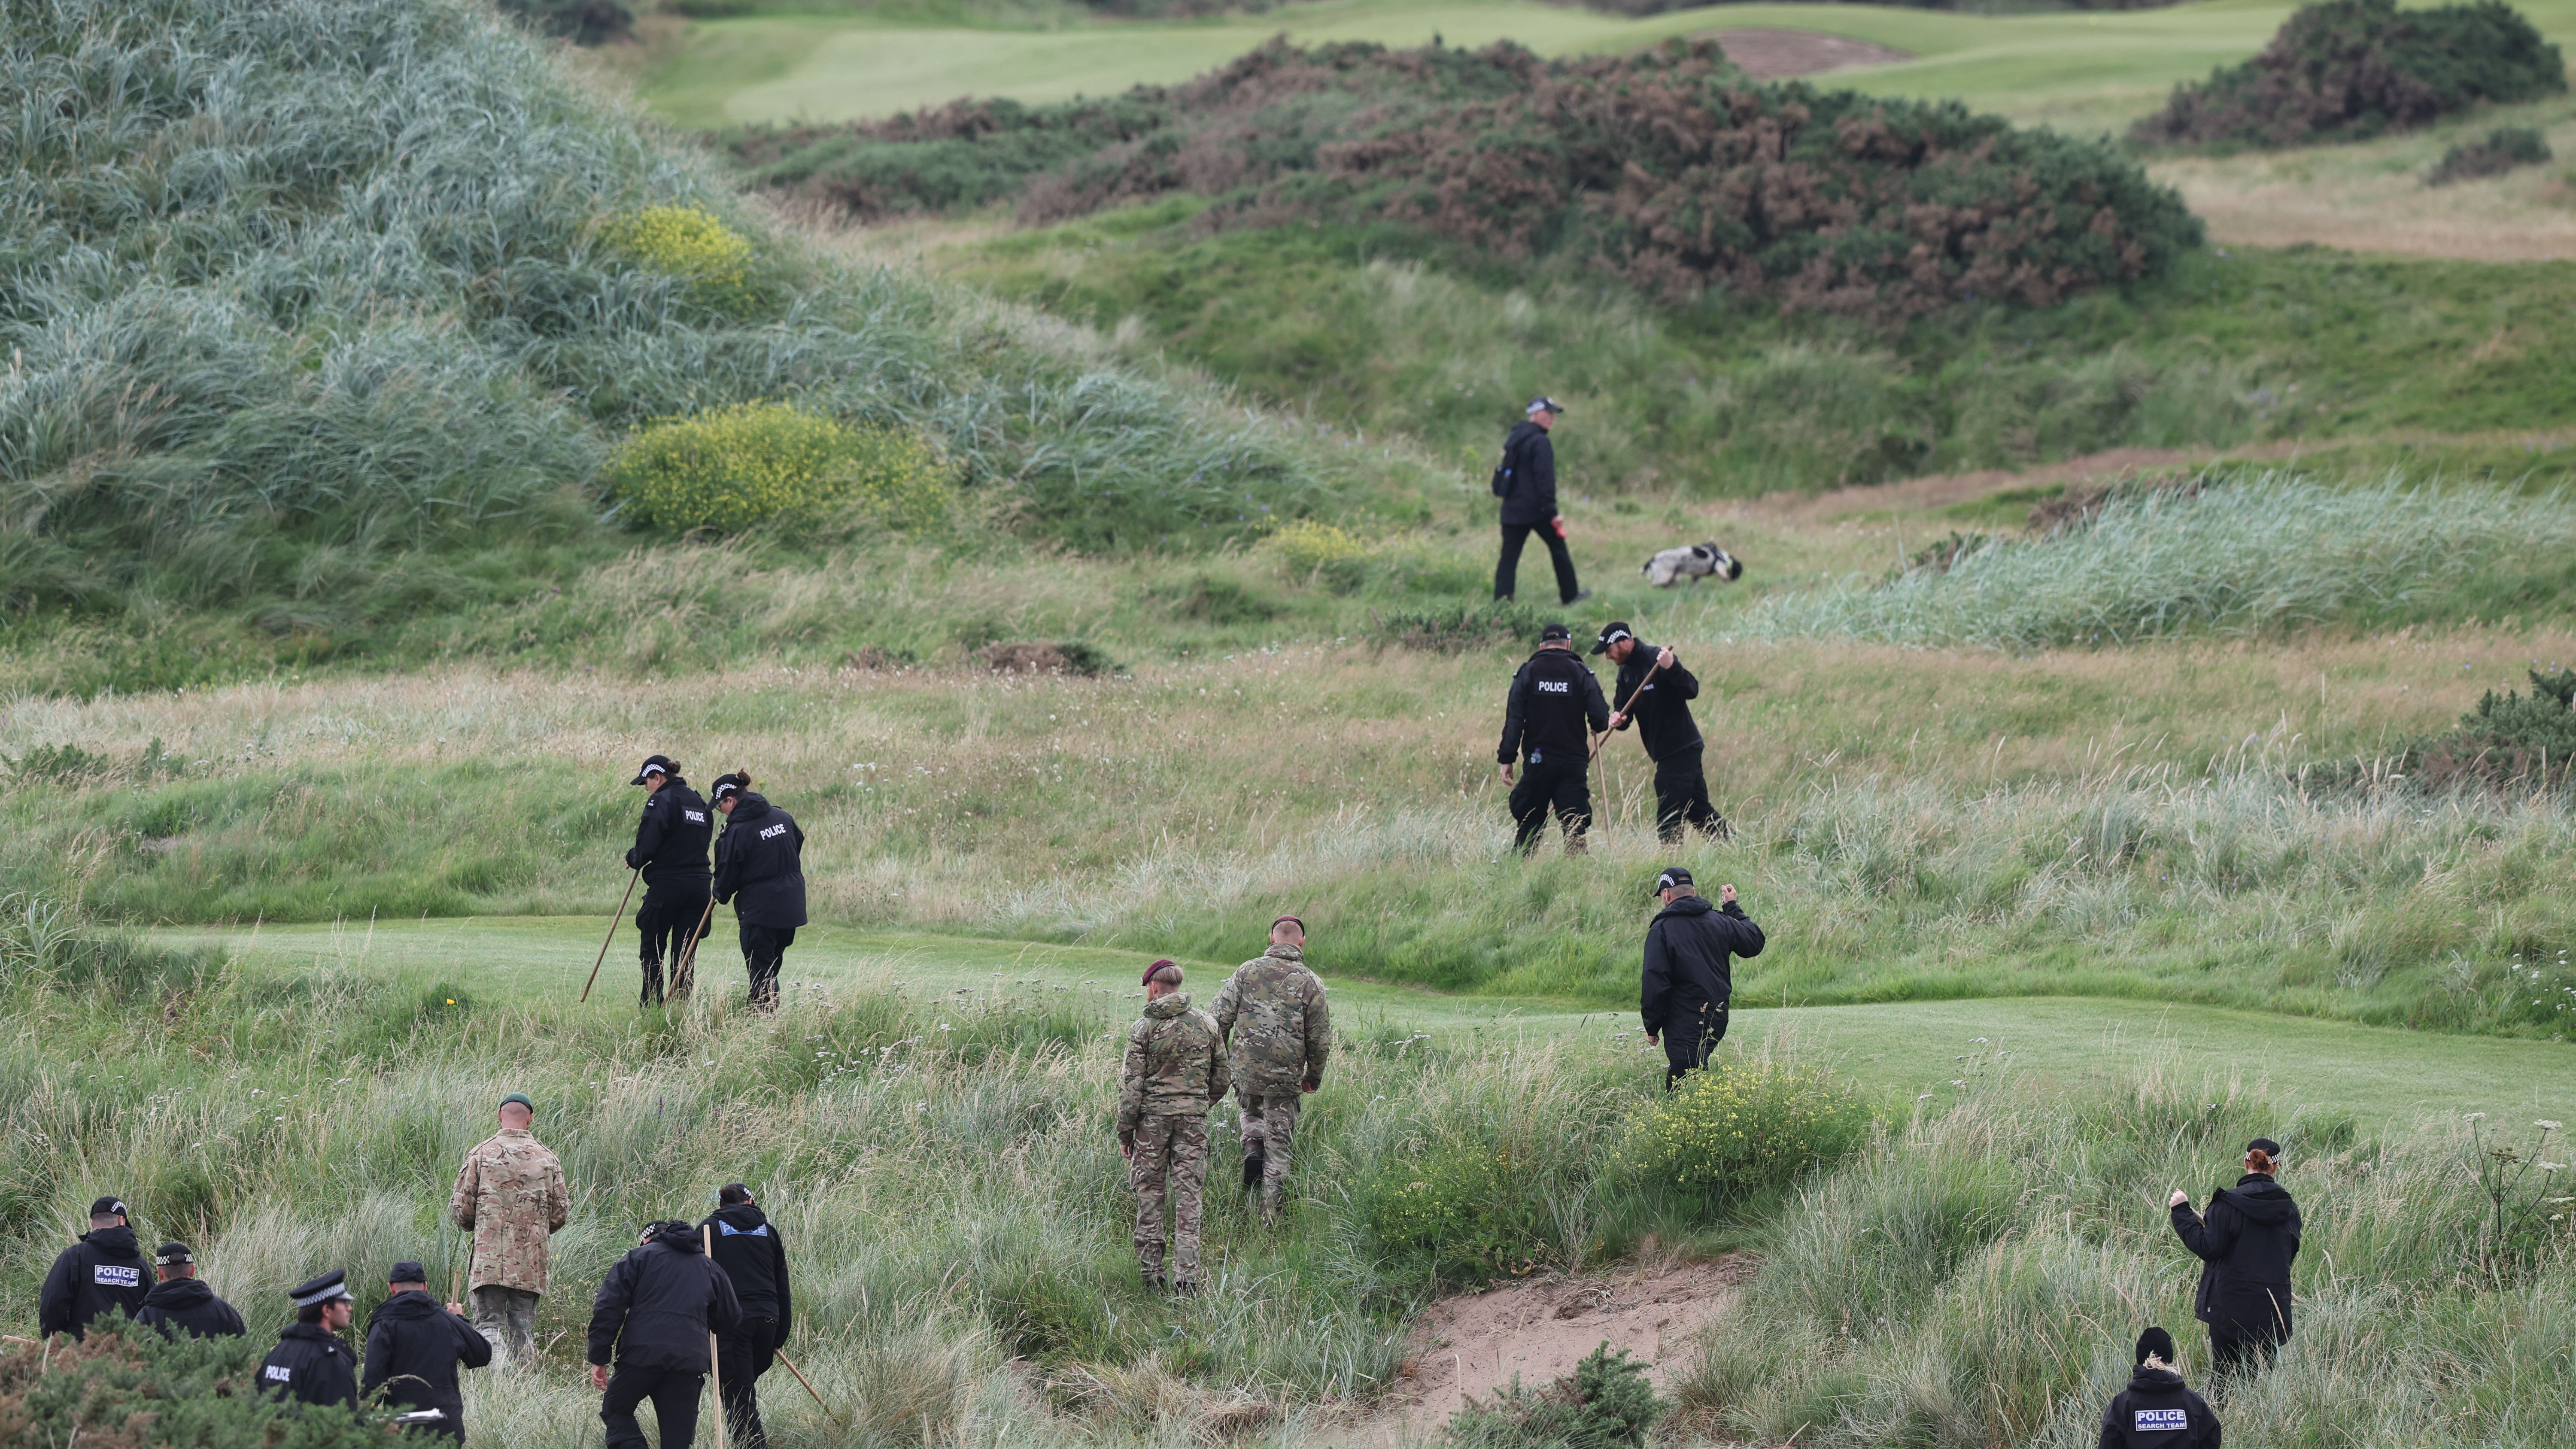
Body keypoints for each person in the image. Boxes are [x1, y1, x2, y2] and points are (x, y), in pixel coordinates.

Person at [1118, 959, 1230, 1291]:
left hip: (1151, 1124)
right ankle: (1187, 1279)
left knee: (1150, 1194)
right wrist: (1197, 1103)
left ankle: (1152, 1276)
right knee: (1189, 1196)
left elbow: (1131, 1089)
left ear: (1154, 986)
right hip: (1193, 1121)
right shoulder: (1208, 1024)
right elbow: (1223, 1077)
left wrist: (1126, 1132)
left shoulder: (1144, 1028)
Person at [1214, 917, 1331, 1227]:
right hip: (1285, 1079)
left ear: (1271, 937)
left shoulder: (1246, 971)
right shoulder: (1311, 982)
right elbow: (1320, 1039)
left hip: (1245, 1073)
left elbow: (1218, 1021)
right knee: (1279, 1150)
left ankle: (1252, 1146)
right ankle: (1270, 1222)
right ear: (1302, 941)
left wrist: (1223, 1063)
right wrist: (1313, 1077)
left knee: (1251, 1116)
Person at [588, 1219, 744, 1449]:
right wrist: (706, 1319)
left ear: (646, 1240)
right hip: (689, 1361)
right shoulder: (709, 1267)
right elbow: (731, 1317)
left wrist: (600, 1358)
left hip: (640, 1357)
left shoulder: (638, 1257)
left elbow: (608, 1308)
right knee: (677, 1439)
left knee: (617, 1410)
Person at [449, 1090, 572, 1367]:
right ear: (530, 1118)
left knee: (489, 1326)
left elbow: (461, 1211)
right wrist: (533, 1232)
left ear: (499, 1116)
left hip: (489, 1261)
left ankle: (494, 1385)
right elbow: (560, 1213)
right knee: (522, 1330)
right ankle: (520, 1390)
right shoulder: (548, 1159)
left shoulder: (481, 1154)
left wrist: (481, 1228)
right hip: (531, 1263)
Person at [2169, 1138, 2301, 1379]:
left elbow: (2208, 1248)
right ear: (2276, 1167)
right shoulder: (2290, 1209)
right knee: (2260, 1381)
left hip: (2227, 1306)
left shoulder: (2227, 1203)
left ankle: (2222, 1417)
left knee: (2224, 1381)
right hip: (2271, 1308)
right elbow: (2289, 1254)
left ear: (2246, 1162)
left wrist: (2181, 1212)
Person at [1594, 622, 1729, 842]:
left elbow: (1691, 690)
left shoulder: (1659, 659)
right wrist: (1618, 718)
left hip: (1681, 747)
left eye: (1609, 651)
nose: (1608, 657)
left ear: (1624, 643)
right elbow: (1623, 708)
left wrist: (1672, 667)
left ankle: (1670, 863)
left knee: (1669, 814)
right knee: (1698, 810)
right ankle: (1732, 845)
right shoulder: (1626, 673)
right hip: (1664, 752)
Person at [1640, 869, 1764, 1090]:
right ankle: (1700, 1115)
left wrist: (1652, 1025)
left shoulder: (1662, 929)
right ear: (1694, 892)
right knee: (1694, 1072)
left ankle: (1683, 1118)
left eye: (1661, 895)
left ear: (1667, 895)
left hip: (1684, 1019)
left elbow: (1655, 982)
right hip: (1716, 1015)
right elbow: (1753, 942)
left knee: (1682, 1080)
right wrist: (1732, 907)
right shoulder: (1720, 920)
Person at [1497, 622, 1611, 854]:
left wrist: (1507, 758)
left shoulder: (1527, 672)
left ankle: (1519, 869)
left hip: (1539, 761)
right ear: (1568, 645)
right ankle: (1577, 873)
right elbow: (1600, 718)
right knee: (1574, 822)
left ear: (1542, 646)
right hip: (1573, 762)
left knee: (1530, 820)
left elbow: (1514, 720)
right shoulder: (1581, 671)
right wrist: (1596, 725)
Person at [701, 1185, 793, 1449]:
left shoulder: (710, 1229)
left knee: (737, 1392)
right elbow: (782, 1284)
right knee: (741, 1388)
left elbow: (697, 1279)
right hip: (768, 1321)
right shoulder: (769, 1232)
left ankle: (751, 1446)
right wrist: (781, 1333)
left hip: (731, 1322)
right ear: (751, 1201)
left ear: (721, 1205)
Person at [362, 1261, 492, 1442]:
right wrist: (459, 1319)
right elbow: (482, 1355)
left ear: (391, 1287)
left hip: (402, 1428)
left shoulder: (384, 1323)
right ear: (425, 1286)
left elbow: (373, 1380)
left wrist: (363, 1422)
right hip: (446, 1426)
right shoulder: (448, 1320)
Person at [711, 772, 806, 1013]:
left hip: (760, 910)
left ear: (730, 801)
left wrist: (720, 892)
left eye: (720, 806)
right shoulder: (781, 816)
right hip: (791, 906)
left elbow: (726, 877)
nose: (720, 811)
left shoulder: (737, 832)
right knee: (771, 966)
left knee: (761, 970)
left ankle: (764, 1027)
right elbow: (798, 841)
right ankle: (766, 1016)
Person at [626, 754, 714, 1005]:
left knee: (653, 945)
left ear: (658, 777)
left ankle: (652, 1006)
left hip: (668, 885)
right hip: (699, 885)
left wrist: (633, 858)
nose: (646, 789)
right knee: (685, 952)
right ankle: (680, 1009)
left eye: (647, 782)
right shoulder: (699, 801)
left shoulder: (661, 800)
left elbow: (647, 846)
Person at [1492, 397, 1588, 606]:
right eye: (1549, 413)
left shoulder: (1515, 438)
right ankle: (1570, 596)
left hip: (1512, 510)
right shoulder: (1540, 442)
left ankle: (1502, 605)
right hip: (1537, 510)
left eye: (1554, 414)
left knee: (1508, 559)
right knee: (1559, 550)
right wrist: (1553, 512)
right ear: (1536, 415)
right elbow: (1545, 480)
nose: (1553, 418)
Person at [38, 1195, 151, 1341]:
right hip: (127, 1355)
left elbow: (52, 1303)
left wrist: (53, 1338)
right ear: (122, 1220)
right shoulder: (140, 1264)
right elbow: (149, 1311)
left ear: (92, 1224)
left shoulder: (74, 1257)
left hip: (82, 1354)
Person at [2096, 1326, 2222, 1448]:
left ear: (2140, 1360)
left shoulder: (2122, 1404)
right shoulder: (2194, 1403)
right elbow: (2212, 1439)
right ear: (2169, 1359)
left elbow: (2109, 1442)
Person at [259, 1270, 361, 1411]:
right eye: (345, 1303)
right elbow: (341, 1423)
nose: (350, 1308)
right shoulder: (329, 1360)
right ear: (327, 1310)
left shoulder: (277, 1353)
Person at [134, 1242, 246, 1339]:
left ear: (160, 1273)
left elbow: (132, 1356)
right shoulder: (223, 1310)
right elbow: (245, 1352)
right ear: (192, 1270)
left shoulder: (147, 1316)